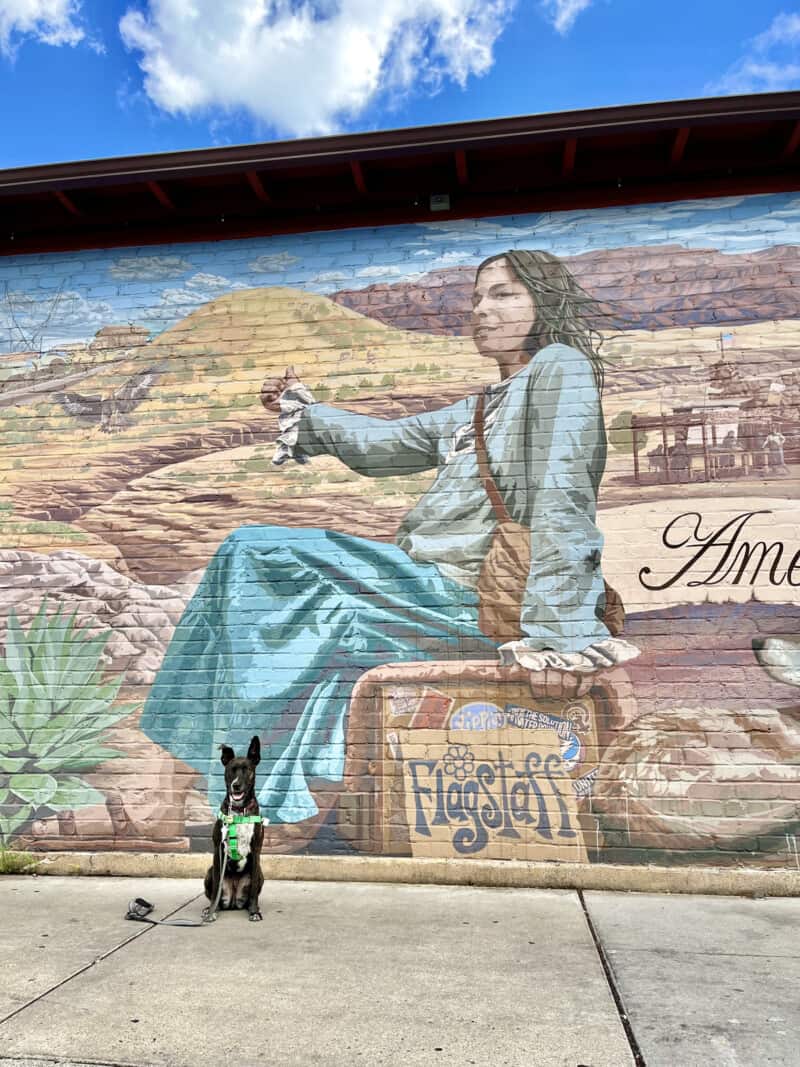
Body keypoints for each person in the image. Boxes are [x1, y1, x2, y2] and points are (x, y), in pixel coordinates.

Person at [139, 250, 638, 828]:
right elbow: (388, 443)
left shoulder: (559, 369)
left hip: (469, 596)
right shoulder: (485, 405)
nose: (481, 311)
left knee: (254, 549)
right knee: (265, 593)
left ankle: (224, 782)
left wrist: (559, 638)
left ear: (543, 302)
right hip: (423, 587)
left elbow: (564, 497)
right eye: (476, 298)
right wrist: (309, 413)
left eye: (503, 295)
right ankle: (241, 787)